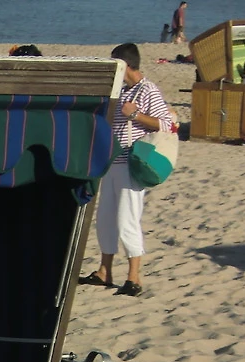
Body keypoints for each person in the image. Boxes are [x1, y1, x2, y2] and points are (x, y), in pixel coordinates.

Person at [79, 43, 173, 298]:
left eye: (115, 64)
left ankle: (134, 277)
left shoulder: (148, 89)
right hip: (111, 163)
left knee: (127, 220)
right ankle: (104, 271)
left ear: (125, 65)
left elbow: (167, 124)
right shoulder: (121, 90)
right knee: (106, 220)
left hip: (131, 164)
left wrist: (136, 115)